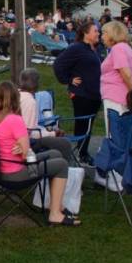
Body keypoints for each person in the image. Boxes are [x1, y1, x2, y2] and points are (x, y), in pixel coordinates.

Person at [0, 81, 80, 226]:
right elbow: (26, 156)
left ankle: (56, 205)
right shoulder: (15, 120)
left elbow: (15, 148)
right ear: (15, 98)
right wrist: (26, 149)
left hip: (4, 170)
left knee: (54, 153)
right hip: (17, 174)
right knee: (61, 165)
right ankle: (55, 214)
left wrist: (23, 148)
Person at [53, 22, 102, 165]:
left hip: (94, 94)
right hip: (82, 94)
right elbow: (58, 64)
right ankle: (82, 154)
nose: (98, 33)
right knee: (83, 124)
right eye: (95, 31)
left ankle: (82, 152)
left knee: (88, 125)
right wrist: (68, 80)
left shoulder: (95, 49)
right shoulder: (77, 48)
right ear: (86, 33)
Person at [18, 68, 74, 163]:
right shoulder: (29, 101)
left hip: (18, 139)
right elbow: (30, 132)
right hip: (27, 142)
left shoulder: (16, 94)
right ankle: (62, 171)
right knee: (65, 144)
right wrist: (53, 133)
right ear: (36, 83)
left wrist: (48, 131)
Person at [100, 21, 132, 134]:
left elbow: (126, 73)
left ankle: (115, 152)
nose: (102, 36)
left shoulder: (118, 49)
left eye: (104, 33)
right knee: (124, 133)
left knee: (114, 134)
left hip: (116, 99)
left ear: (113, 34)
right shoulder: (127, 48)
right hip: (123, 97)